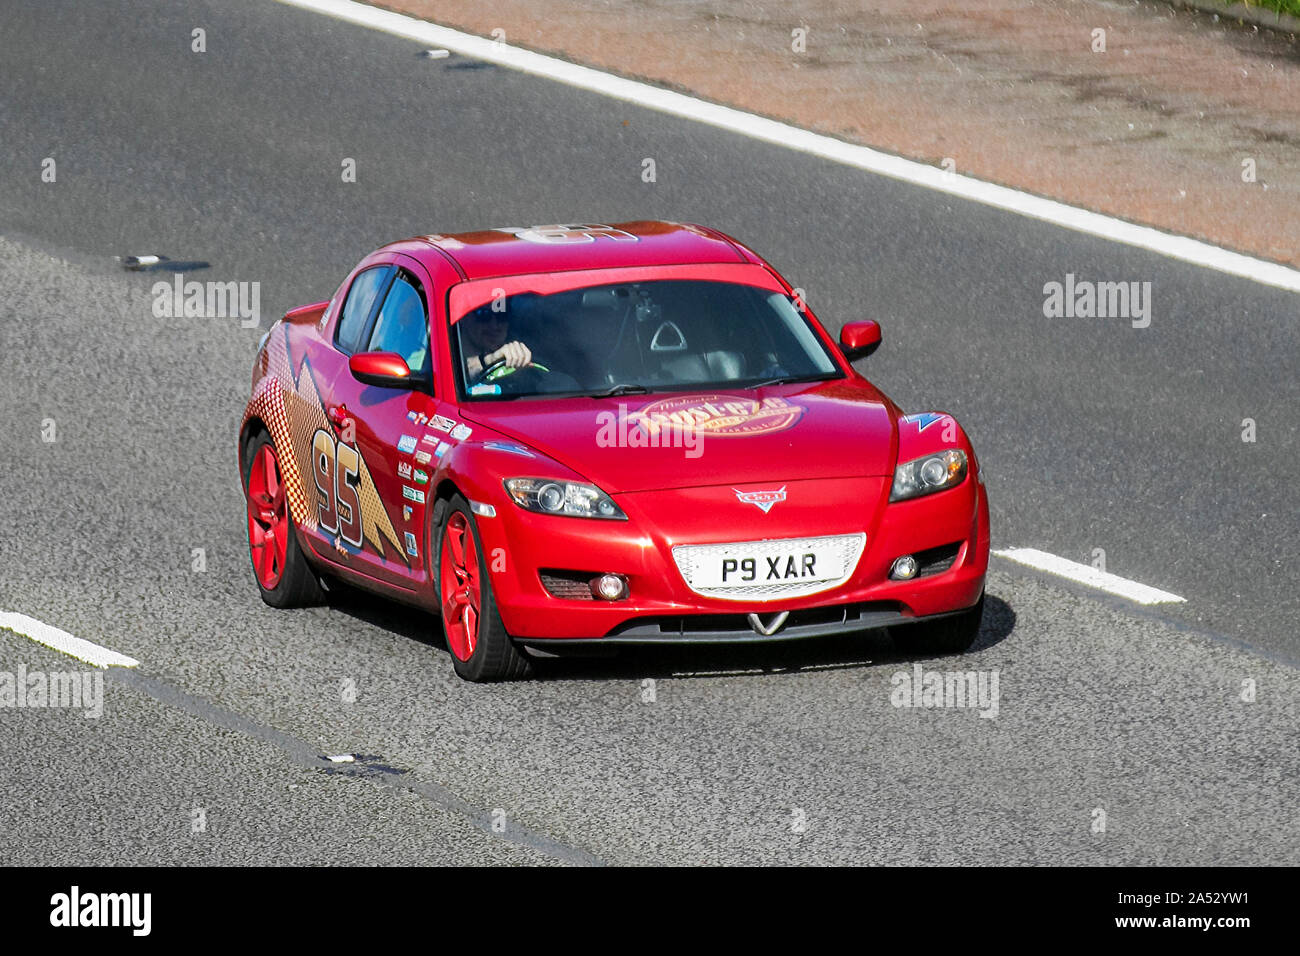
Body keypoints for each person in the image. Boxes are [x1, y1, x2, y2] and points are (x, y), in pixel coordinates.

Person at [461, 308, 533, 380]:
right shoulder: (451, 356)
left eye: (502, 316)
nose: (494, 326)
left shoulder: (517, 360)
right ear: (464, 318)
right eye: (483, 315)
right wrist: (488, 361)